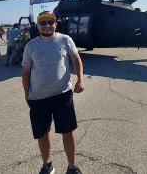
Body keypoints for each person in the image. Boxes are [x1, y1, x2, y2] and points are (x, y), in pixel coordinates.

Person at [22, 12, 84, 174]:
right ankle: (47, 165)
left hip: (62, 95)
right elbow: (26, 72)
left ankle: (72, 166)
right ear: (38, 26)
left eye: (50, 22)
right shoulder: (31, 46)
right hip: (38, 98)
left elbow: (76, 60)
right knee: (42, 133)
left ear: (56, 24)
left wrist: (80, 80)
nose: (47, 25)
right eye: (43, 23)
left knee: (68, 131)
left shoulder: (65, 40)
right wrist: (27, 93)